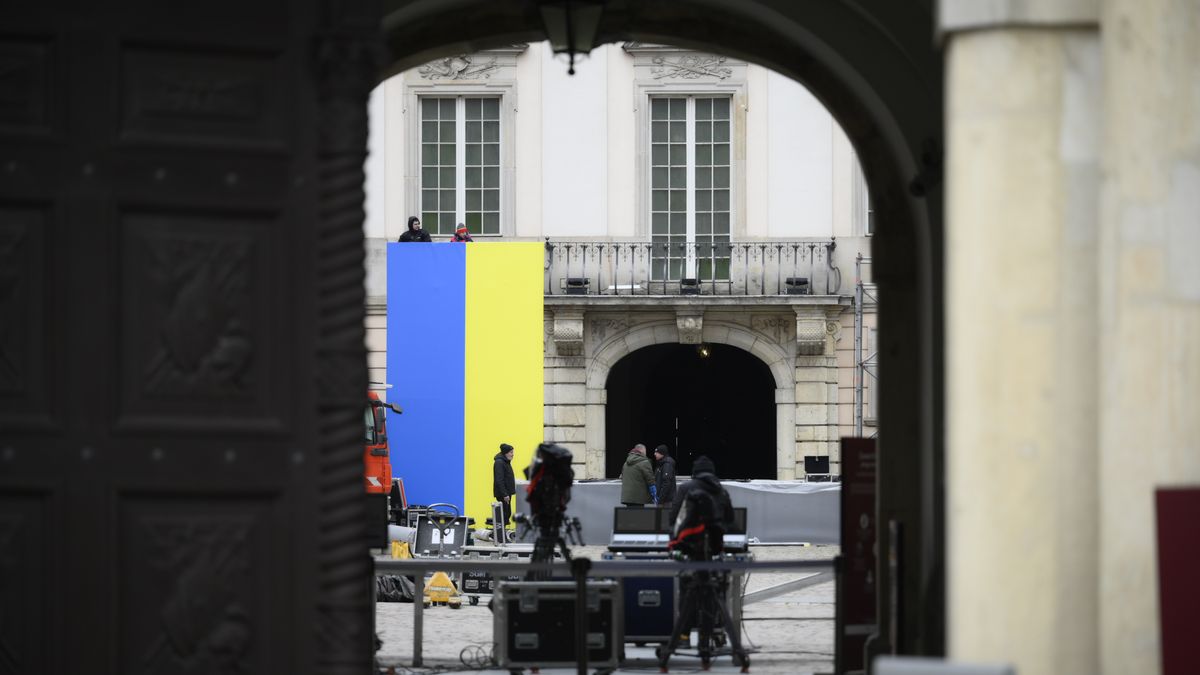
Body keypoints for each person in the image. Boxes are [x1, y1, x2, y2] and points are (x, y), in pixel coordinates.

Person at [668, 455, 734, 532]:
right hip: (715, 539)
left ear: (695, 470)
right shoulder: (722, 491)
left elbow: (674, 514)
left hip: (689, 539)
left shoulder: (685, 488)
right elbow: (730, 518)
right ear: (712, 471)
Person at [492, 443, 516, 539]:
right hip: (503, 494)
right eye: (511, 452)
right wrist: (505, 494)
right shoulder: (499, 462)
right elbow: (499, 479)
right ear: (505, 453)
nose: (512, 454)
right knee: (503, 515)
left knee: (506, 514)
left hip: (507, 493)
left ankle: (500, 535)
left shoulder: (505, 462)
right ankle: (499, 536)